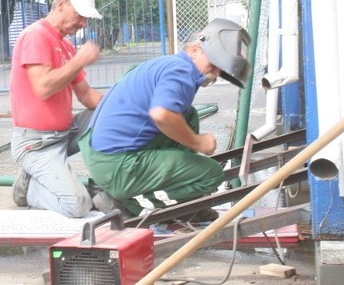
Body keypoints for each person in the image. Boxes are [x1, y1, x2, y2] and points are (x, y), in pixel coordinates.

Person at [78, 18, 252, 220]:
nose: (216, 73)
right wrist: (199, 143)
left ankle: (182, 195)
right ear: (195, 50)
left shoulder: (169, 64)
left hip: (103, 156)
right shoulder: (181, 71)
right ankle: (127, 204)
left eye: (220, 69)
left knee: (188, 115)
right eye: (213, 64)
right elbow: (161, 114)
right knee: (211, 174)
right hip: (118, 166)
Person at [9, 0, 104, 218]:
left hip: (63, 133)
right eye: (80, 15)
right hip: (37, 143)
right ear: (61, 5)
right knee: (78, 205)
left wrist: (126, 107)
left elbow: (86, 95)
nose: (83, 23)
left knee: (105, 116)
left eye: (86, 18)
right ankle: (30, 187)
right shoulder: (35, 36)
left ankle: (36, 174)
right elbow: (43, 87)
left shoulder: (66, 46)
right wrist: (79, 61)